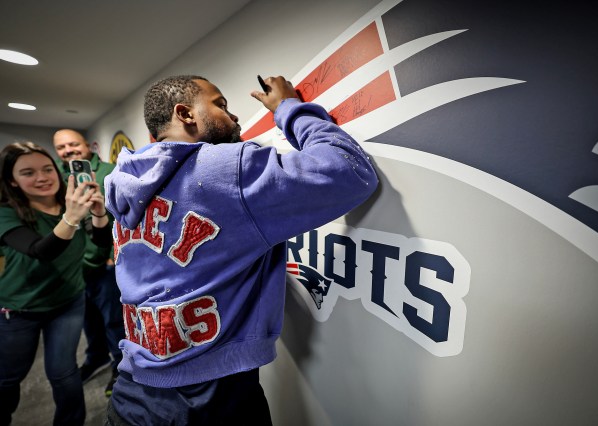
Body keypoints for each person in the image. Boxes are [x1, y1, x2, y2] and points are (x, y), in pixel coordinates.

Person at [103, 75, 378, 425]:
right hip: (207, 399)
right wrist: (287, 108)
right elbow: (349, 171)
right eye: (220, 105)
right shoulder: (223, 169)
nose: (234, 118)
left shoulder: (124, 180)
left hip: (133, 388)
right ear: (186, 114)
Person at [0, 141, 111, 426]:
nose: (41, 177)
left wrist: (98, 212)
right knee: (9, 377)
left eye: (47, 169)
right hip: (20, 308)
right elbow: (41, 251)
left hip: (68, 302)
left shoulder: (70, 200)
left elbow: (100, 243)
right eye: (28, 172)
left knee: (64, 373)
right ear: (12, 180)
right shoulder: (6, 212)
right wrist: (72, 216)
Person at [53, 129, 124, 397]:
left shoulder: (109, 170)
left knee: (113, 320)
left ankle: (120, 367)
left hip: (104, 261)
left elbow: (121, 213)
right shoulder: (56, 178)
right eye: (61, 147)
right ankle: (96, 357)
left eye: (73, 144)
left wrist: (114, 251)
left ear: (87, 145)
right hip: (73, 266)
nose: (68, 150)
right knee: (88, 320)